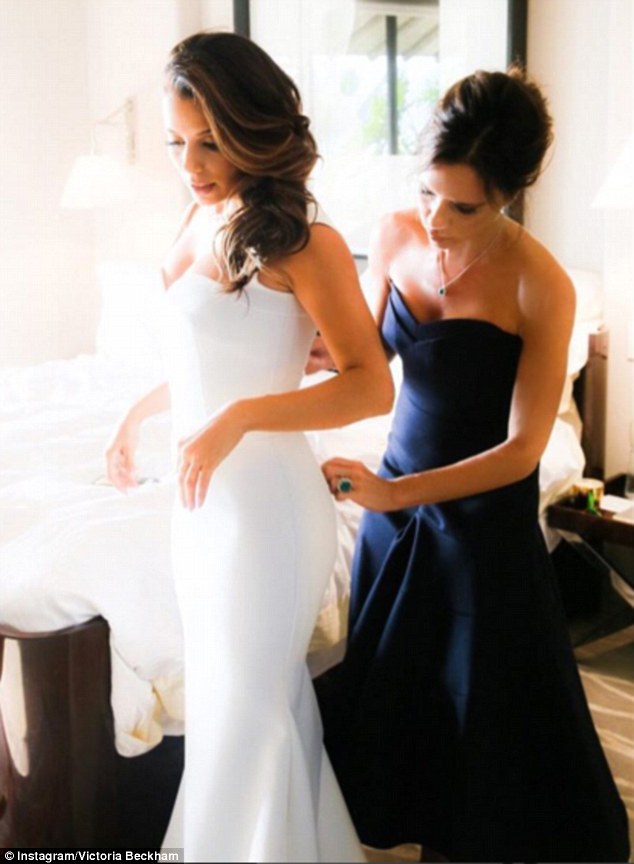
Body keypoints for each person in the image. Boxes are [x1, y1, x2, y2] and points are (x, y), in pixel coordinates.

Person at [314, 68, 631, 863]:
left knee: (481, 734)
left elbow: (524, 451)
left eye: (464, 207)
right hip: (395, 513)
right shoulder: (395, 235)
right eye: (427, 192)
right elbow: (366, 359)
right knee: (398, 708)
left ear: (511, 195)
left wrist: (396, 493)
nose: (436, 218)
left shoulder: (541, 284)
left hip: (482, 529)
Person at [105, 31, 393, 863]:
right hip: (201, 507)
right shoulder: (202, 214)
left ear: (253, 130)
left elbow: (370, 386)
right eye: (177, 144)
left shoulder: (303, 239)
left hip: (267, 513)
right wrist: (139, 413)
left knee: (249, 708)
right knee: (239, 706)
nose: (192, 165)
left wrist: (237, 420)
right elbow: (212, 359)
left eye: (211, 141)